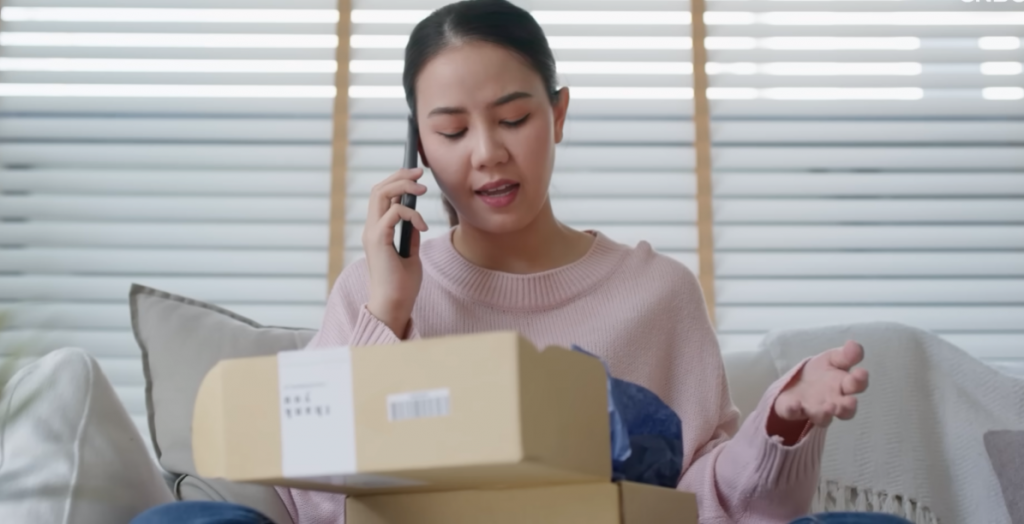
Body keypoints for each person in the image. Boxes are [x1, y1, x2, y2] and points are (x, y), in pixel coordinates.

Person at [133, 1, 904, 523]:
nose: (488, 153)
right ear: (417, 149)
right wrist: (387, 313)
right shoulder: (377, 289)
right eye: (451, 130)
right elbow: (317, 508)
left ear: (558, 113)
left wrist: (784, 419)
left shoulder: (657, 292)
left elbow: (700, 507)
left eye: (513, 118)